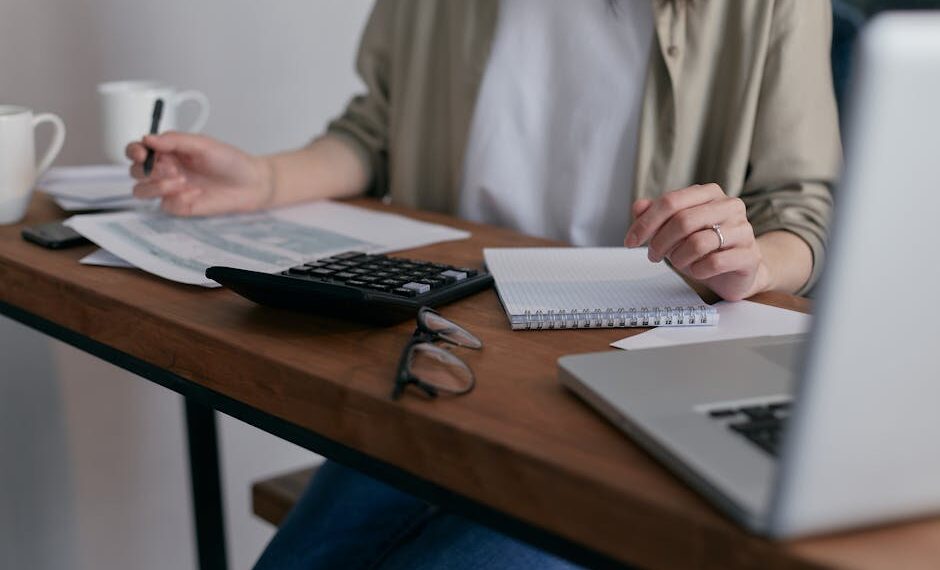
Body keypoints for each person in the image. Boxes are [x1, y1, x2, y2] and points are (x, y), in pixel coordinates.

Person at [127, 0, 841, 567]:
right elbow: (376, 130)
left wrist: (750, 262)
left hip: (636, 383)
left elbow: (801, 210)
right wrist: (265, 179)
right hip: (447, 356)